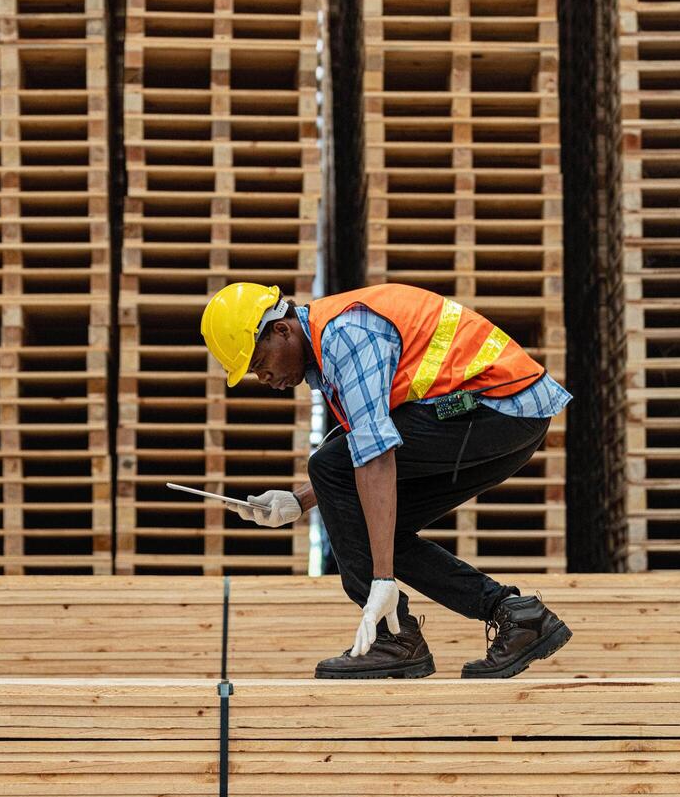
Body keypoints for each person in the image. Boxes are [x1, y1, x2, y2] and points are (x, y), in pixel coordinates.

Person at [201, 282, 574, 679]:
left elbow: (374, 454)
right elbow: (368, 453)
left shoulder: (345, 336)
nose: (264, 377)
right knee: (374, 527)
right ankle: (518, 616)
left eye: (259, 362)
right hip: (495, 415)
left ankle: (392, 637)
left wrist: (381, 579)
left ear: (282, 330)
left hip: (495, 407)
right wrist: (302, 501)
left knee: (330, 467)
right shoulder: (329, 349)